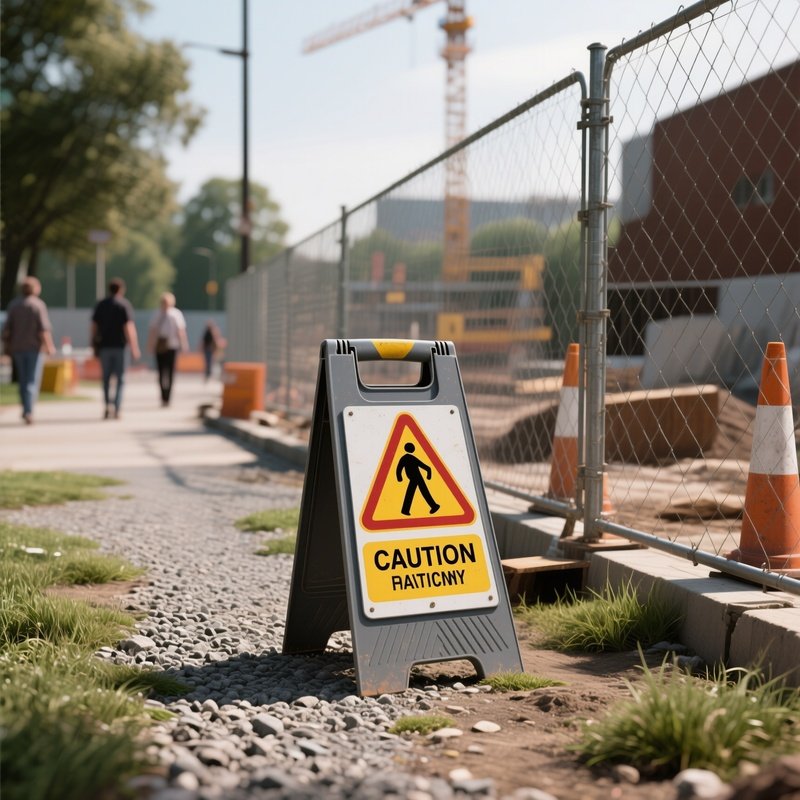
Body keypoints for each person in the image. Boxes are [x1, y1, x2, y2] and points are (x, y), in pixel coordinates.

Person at [1, 277, 56, 424]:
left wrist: (6, 349)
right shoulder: (38, 305)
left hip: (17, 348)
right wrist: (49, 346)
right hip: (33, 349)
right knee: (32, 380)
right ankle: (29, 410)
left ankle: (25, 408)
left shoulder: (14, 305)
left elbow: (6, 330)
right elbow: (43, 329)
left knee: (23, 380)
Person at [91, 277, 141, 420]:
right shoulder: (124, 305)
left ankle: (107, 405)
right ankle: (117, 408)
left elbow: (93, 326)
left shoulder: (101, 305)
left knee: (106, 378)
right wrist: (134, 347)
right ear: (121, 290)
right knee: (120, 379)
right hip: (120, 347)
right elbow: (129, 327)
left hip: (104, 346)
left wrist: (93, 343)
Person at [147, 292, 188, 406]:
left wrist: (183, 344)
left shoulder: (172, 314)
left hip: (168, 346)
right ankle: (165, 396)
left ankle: (166, 396)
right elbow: (153, 331)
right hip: (164, 346)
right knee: (164, 372)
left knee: (166, 372)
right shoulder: (162, 314)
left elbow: (180, 331)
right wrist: (150, 345)